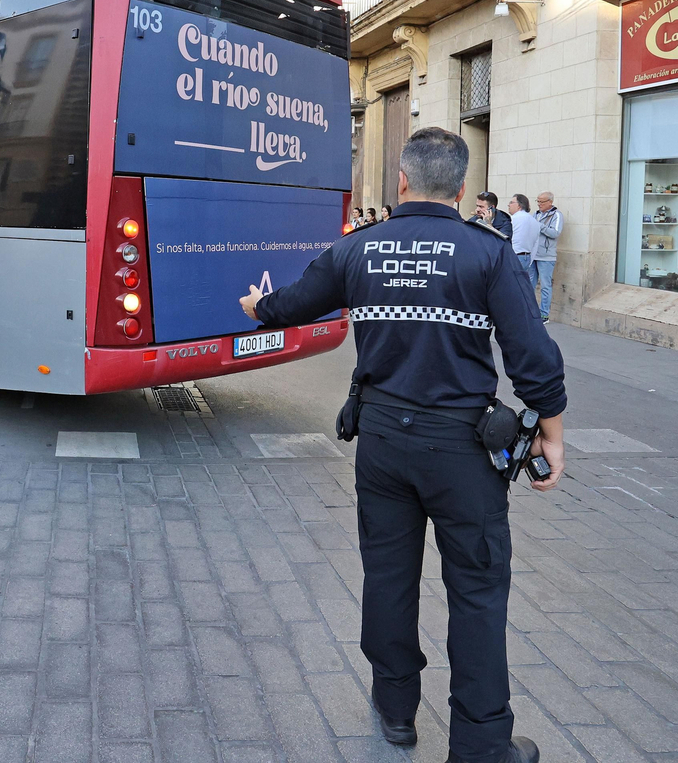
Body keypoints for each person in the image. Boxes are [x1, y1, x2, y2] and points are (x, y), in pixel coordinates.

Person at [239, 127, 565, 763]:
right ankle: (481, 744)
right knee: (477, 590)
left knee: (387, 576)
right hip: (464, 450)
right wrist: (551, 432)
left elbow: (293, 303)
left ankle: (395, 713)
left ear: (402, 182)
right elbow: (532, 357)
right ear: (465, 190)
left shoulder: (358, 249)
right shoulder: (489, 253)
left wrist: (258, 306)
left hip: (383, 443)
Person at [530, 192, 562, 322]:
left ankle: (544, 314)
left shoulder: (557, 215)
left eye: (542, 202)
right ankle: (530, 311)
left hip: (546, 256)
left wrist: (540, 226)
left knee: (545, 286)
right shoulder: (536, 214)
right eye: (537, 201)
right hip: (533, 254)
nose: (539, 204)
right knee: (529, 284)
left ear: (550, 202)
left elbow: (555, 233)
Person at [506, 194, 536, 291]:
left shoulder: (513, 220)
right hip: (527, 257)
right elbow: (535, 243)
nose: (509, 205)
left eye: (511, 202)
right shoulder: (534, 220)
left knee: (511, 287)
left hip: (515, 256)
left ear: (519, 205)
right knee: (522, 287)